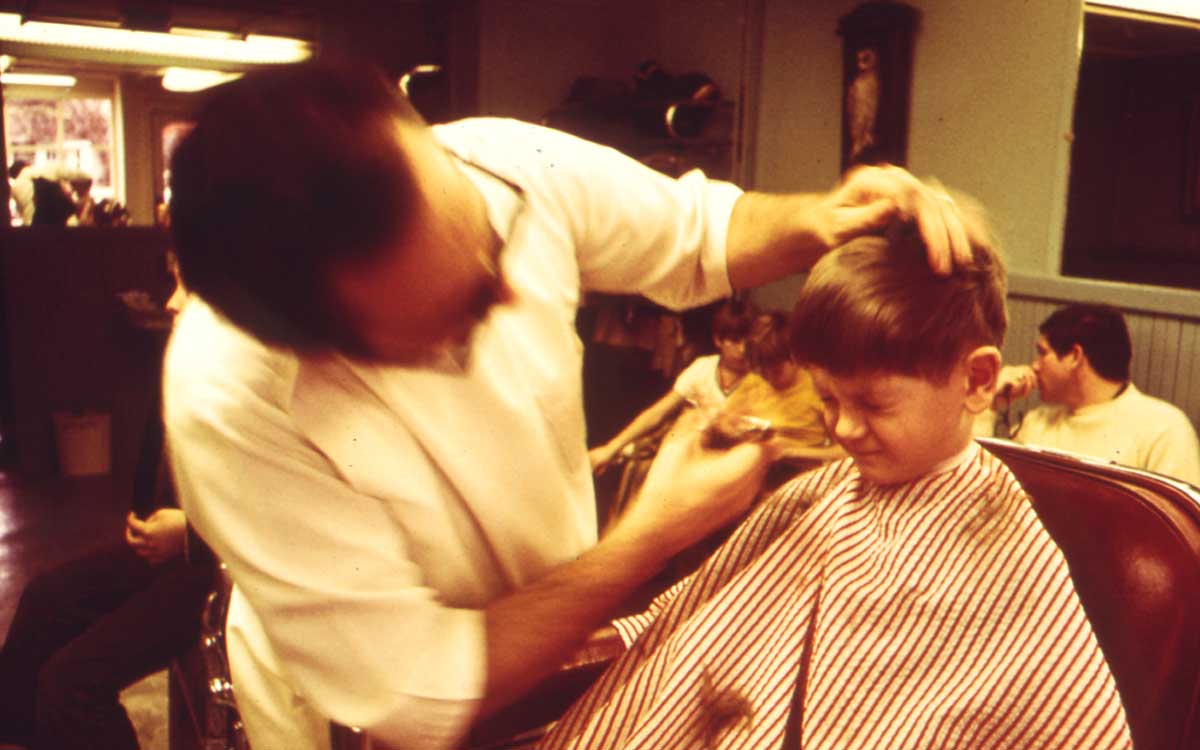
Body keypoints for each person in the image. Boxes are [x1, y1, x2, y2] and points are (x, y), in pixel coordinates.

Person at [162, 58, 981, 750]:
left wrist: (820, 216)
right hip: (362, 713)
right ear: (320, 343)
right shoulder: (228, 402)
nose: (504, 291)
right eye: (453, 314)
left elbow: (700, 231)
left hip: (561, 653)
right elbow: (419, 688)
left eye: (482, 246)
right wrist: (650, 536)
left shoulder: (496, 165)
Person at [538, 208, 1131, 749]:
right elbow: (697, 622)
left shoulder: (1004, 547)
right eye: (827, 397)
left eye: (873, 404)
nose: (843, 428)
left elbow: (1066, 721)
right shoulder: (820, 495)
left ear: (976, 381)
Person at [0, 258, 213, 750]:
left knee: (69, 686)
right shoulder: (193, 361)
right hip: (180, 549)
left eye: (187, 285)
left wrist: (188, 533)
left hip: (216, 571)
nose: (171, 302)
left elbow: (272, 519)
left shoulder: (263, 373)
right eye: (173, 281)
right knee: (45, 599)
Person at [985, 303, 1200, 484]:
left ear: (1074, 356)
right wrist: (992, 403)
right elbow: (986, 487)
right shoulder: (1037, 423)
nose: (1035, 366)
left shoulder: (1163, 430)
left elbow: (1181, 528)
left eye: (1043, 353)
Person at [588, 298, 757, 475]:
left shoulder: (761, 378)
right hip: (692, 459)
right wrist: (610, 448)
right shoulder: (702, 368)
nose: (742, 349)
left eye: (748, 342)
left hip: (734, 465)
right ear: (718, 340)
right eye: (735, 340)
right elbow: (658, 412)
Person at [709, 310, 843, 471]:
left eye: (776, 370)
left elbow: (844, 451)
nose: (769, 378)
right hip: (753, 463)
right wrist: (730, 426)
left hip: (797, 469)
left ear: (794, 357)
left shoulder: (818, 388)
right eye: (762, 370)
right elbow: (724, 420)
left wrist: (792, 452)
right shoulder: (755, 380)